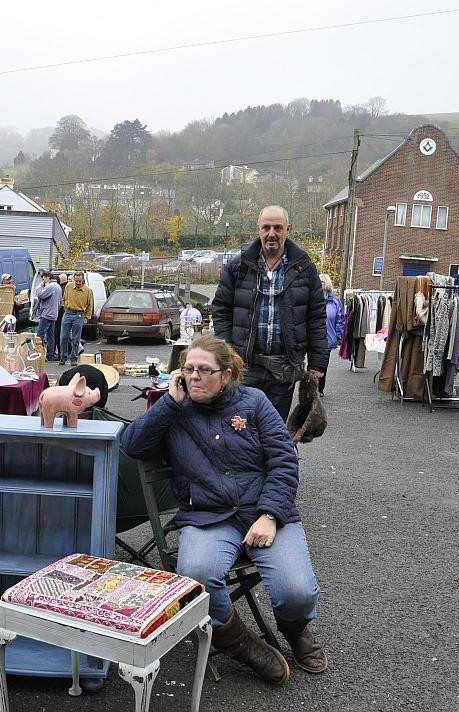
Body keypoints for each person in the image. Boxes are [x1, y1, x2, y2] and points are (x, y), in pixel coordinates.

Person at [122, 335, 325, 685]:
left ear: (227, 374)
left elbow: (284, 461)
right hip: (208, 517)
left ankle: (295, 630)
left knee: (297, 593)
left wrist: (271, 514)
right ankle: (243, 645)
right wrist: (169, 402)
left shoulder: (255, 402)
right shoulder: (174, 408)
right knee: (196, 575)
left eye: (204, 370)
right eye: (188, 370)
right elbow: (133, 445)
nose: (194, 377)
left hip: (263, 513)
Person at [212, 205, 328, 420]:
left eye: (277, 228)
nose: (271, 234)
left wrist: (318, 362)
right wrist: (226, 353)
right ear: (258, 229)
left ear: (288, 229)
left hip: (283, 368)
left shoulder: (304, 267)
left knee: (274, 430)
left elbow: (316, 317)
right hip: (244, 366)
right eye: (266, 227)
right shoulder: (238, 267)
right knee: (240, 427)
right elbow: (221, 311)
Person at [59, 271, 94, 365]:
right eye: (76, 281)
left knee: (76, 338)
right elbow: (64, 298)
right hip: (68, 313)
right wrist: (65, 305)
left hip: (79, 314)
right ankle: (63, 357)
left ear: (83, 280)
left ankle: (74, 358)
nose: (78, 283)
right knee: (63, 337)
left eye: (80, 281)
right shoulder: (68, 286)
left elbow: (90, 305)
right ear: (74, 280)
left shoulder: (88, 290)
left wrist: (87, 317)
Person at [319, 274, 345, 397]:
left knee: (323, 365)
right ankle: (310, 389)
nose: (320, 283)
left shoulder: (335, 301)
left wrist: (338, 335)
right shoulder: (312, 298)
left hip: (328, 339)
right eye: (318, 281)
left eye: (323, 282)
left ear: (327, 283)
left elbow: (340, 319)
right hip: (313, 338)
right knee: (312, 364)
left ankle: (320, 389)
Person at [31, 271, 62, 361]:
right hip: (53, 314)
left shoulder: (51, 286)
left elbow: (40, 294)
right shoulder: (58, 287)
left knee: (40, 335)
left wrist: (40, 286)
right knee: (51, 336)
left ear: (48, 277)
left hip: (46, 314)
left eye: (43, 278)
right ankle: (50, 355)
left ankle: (40, 354)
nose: (43, 280)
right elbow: (60, 302)